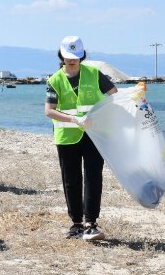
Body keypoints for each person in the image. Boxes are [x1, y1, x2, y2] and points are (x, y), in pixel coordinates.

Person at [44, 36, 117, 241]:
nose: (72, 60)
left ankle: (91, 223)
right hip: (67, 137)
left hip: (94, 134)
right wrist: (75, 119)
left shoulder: (94, 74)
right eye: (68, 57)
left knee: (94, 176)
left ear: (82, 55)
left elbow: (114, 94)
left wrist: (100, 115)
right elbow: (49, 111)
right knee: (71, 180)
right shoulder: (54, 80)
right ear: (61, 56)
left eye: (76, 57)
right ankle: (76, 224)